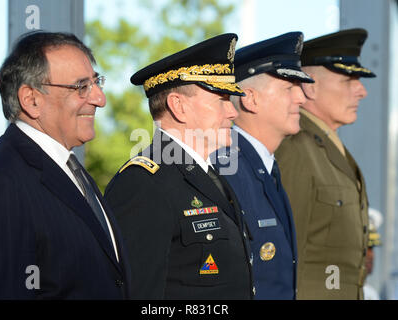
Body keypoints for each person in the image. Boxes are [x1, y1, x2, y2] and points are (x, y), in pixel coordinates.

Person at [0, 31, 130, 299]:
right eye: (81, 87)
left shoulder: (70, 170)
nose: (99, 98)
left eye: (96, 82)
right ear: (32, 100)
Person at [104, 33, 255, 299]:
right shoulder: (143, 183)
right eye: (221, 99)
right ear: (178, 106)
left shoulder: (210, 175)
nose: (232, 112)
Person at [275, 28, 376, 299]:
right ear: (309, 86)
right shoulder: (295, 147)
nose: (362, 91)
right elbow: (284, 254)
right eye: (349, 80)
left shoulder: (329, 146)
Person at [212, 32, 314, 299]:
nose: (302, 99)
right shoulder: (225, 169)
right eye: (289, 87)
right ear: (250, 98)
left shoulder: (263, 165)